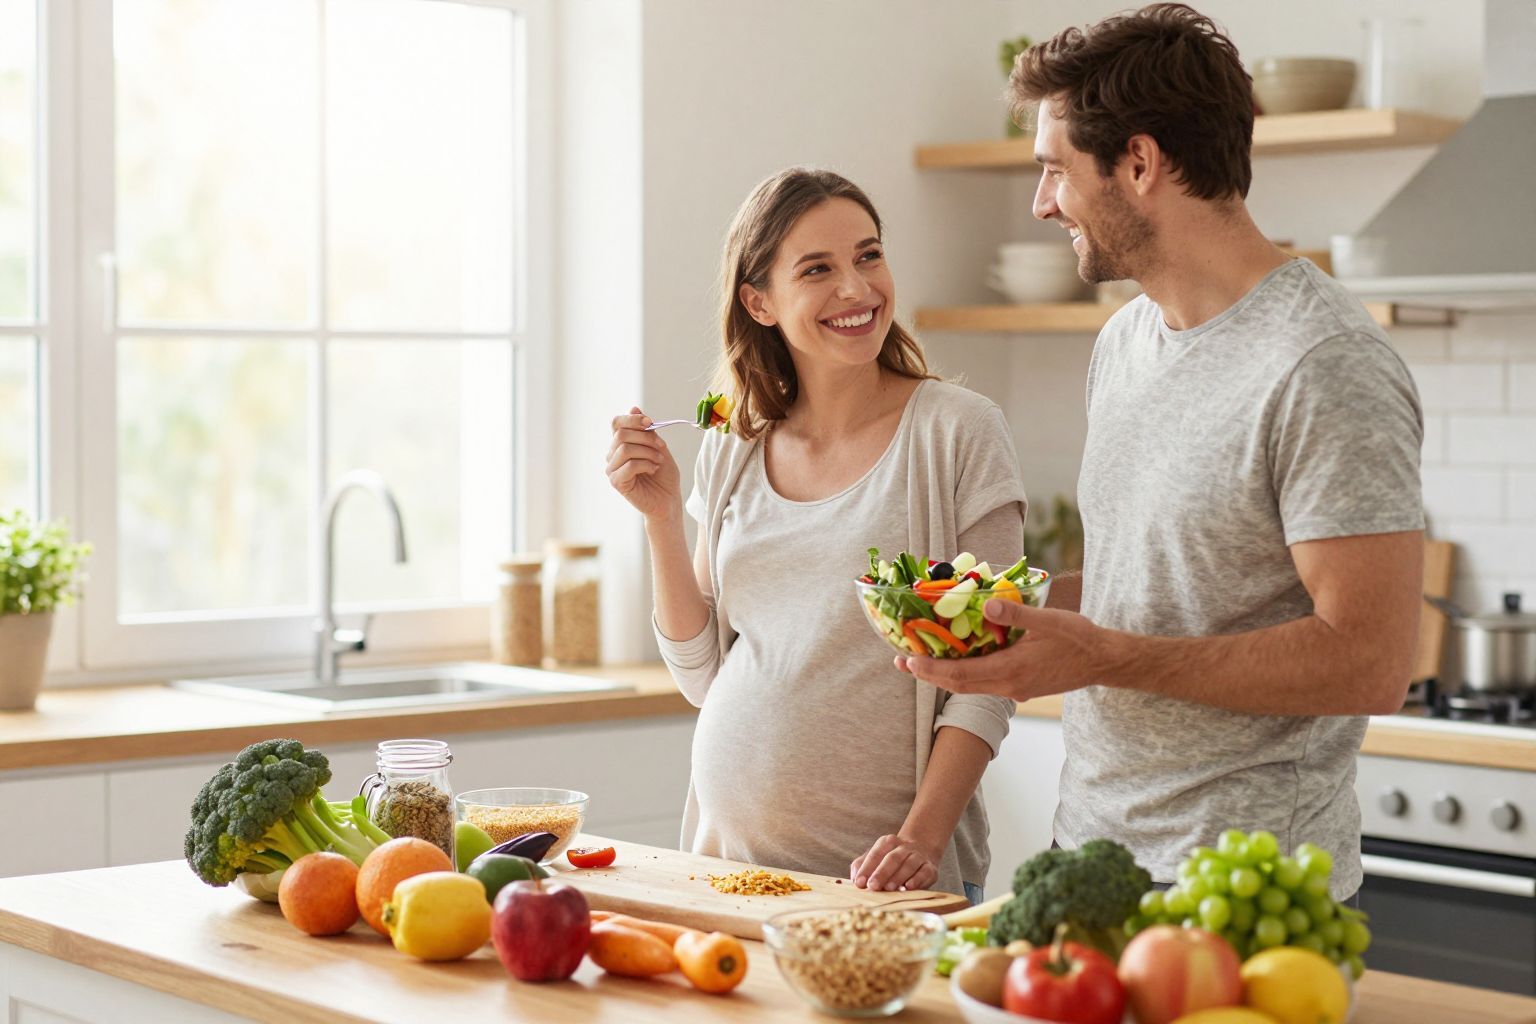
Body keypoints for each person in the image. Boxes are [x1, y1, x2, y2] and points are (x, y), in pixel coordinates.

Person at [898, 3, 1424, 901]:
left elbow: (1371, 662)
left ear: (1139, 163)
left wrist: (1098, 655)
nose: (1042, 202)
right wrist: (994, 611)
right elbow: (1156, 589)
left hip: (1246, 890)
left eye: (1055, 169)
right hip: (1091, 861)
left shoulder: (1323, 362)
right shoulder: (1127, 339)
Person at [606, 168, 1027, 900]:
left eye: (869, 256)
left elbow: (992, 671)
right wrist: (662, 519)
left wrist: (921, 841)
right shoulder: (734, 444)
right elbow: (702, 677)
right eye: (817, 270)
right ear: (759, 302)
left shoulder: (958, 432)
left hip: (888, 881)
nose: (857, 289)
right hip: (727, 870)